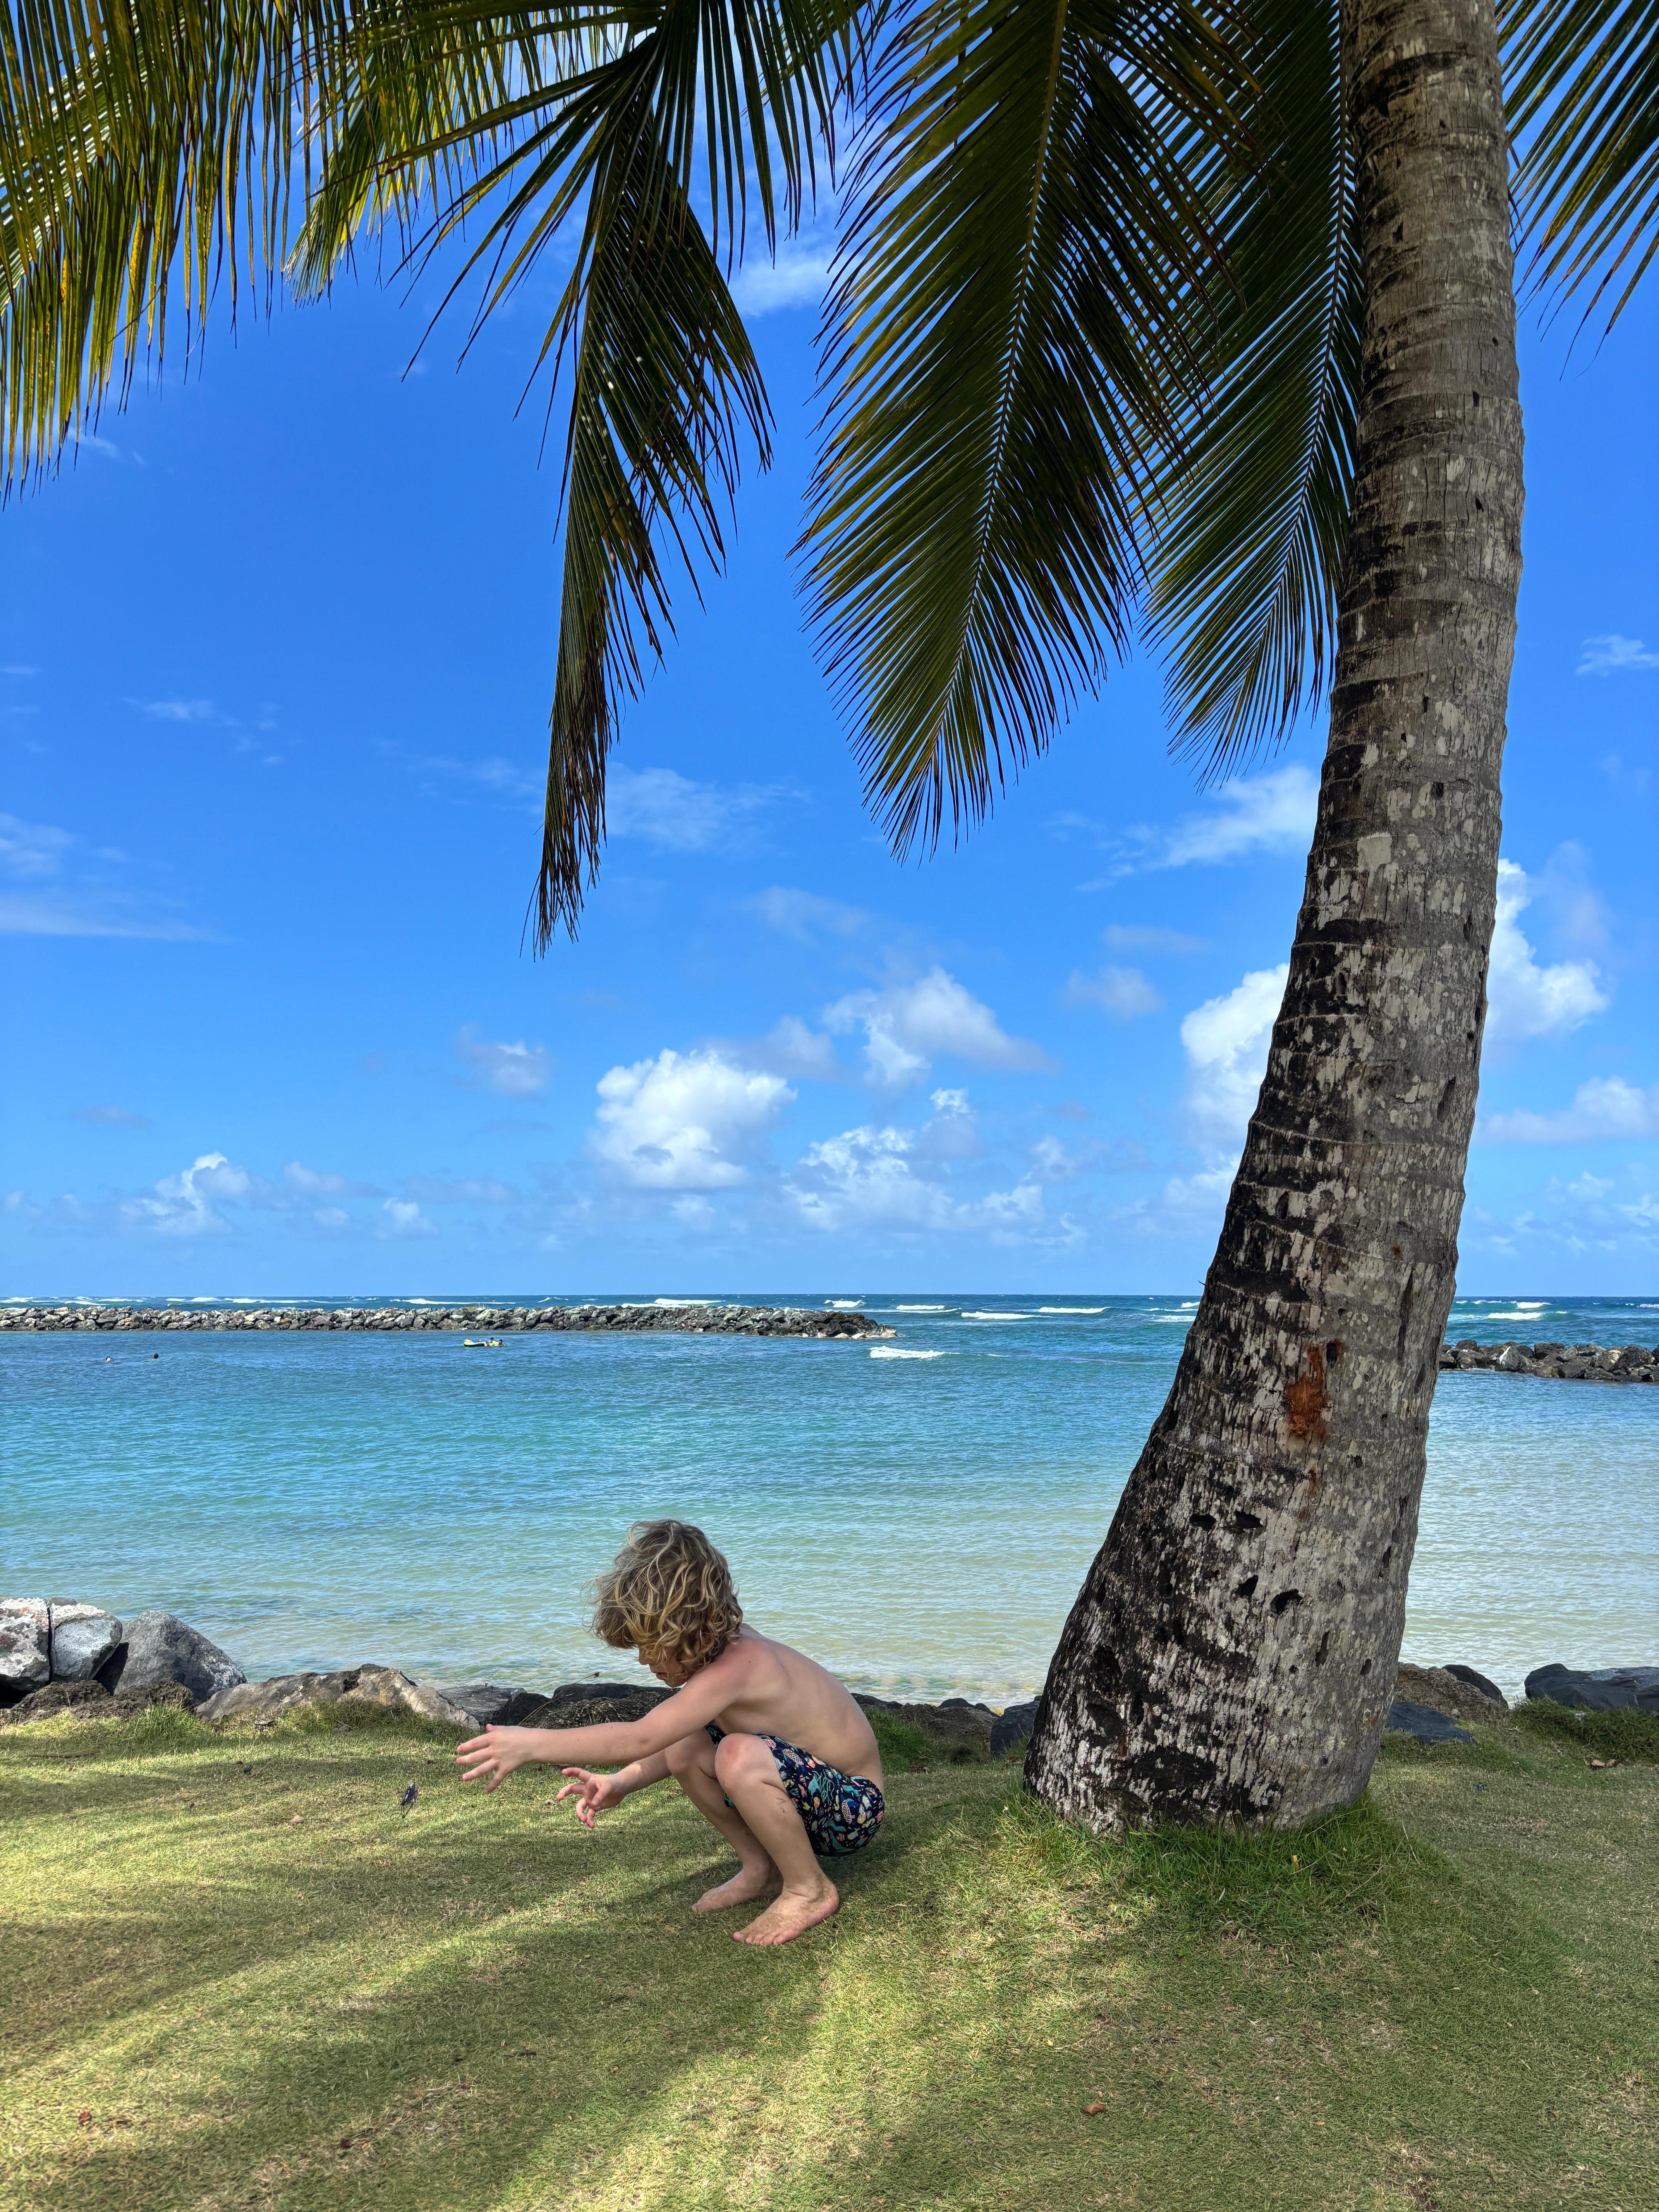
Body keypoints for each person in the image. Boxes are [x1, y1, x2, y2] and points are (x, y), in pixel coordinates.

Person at [455, 1520, 884, 1945]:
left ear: (693, 1628)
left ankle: (809, 1889)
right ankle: (763, 1870)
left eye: (652, 1644)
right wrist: (622, 1781)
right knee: (686, 1742)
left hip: (854, 1807)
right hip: (809, 1794)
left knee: (737, 1753)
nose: (644, 1660)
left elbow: (639, 1737)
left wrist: (532, 1743)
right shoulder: (720, 1664)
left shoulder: (741, 1664)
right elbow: (666, 1745)